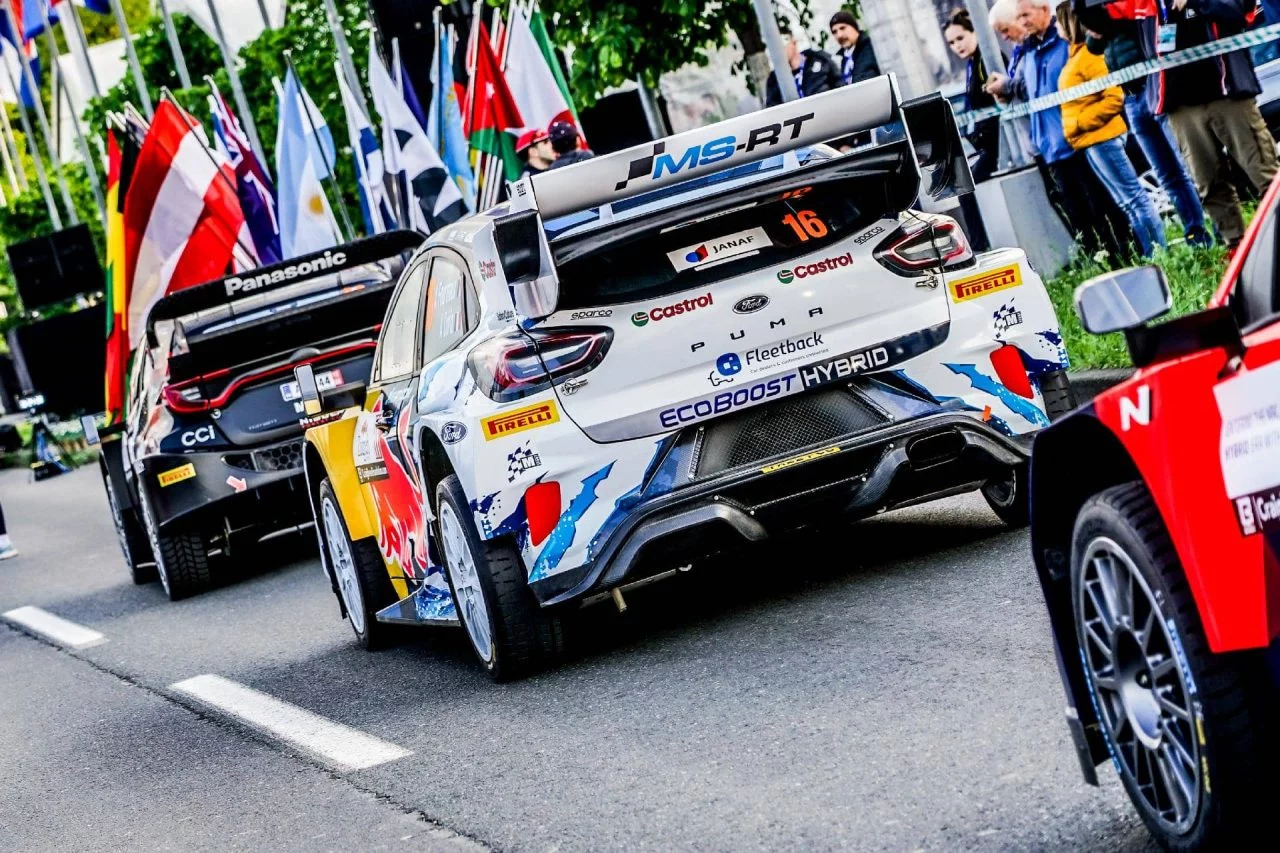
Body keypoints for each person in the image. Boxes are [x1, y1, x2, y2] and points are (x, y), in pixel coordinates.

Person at [985, 0, 1132, 258]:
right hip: (1051, 149)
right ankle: (1099, 262)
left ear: (1044, 10)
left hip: (1076, 142)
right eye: (1018, 18)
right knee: (1078, 216)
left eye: (1026, 15)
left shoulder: (1064, 44)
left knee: (1102, 206)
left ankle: (1126, 254)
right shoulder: (1029, 52)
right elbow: (1030, 91)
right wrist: (1008, 90)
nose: (1022, 23)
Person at [1074, 0, 1211, 247]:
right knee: (1166, 173)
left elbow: (1134, 22)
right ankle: (1196, 234)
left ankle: (1214, 228)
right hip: (1130, 93)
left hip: (1153, 83)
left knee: (1187, 163)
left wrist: (1105, 23)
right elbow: (1094, 45)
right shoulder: (1095, 8)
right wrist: (1099, 28)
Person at [1161, 0, 1278, 249]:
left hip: (1228, 92)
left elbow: (1239, 11)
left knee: (1265, 173)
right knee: (1209, 185)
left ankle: (1275, 245)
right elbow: (1116, 31)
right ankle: (1236, 251)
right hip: (1181, 102)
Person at [1057, 2, 1166, 257]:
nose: (1055, 27)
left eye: (1058, 22)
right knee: (1126, 203)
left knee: (1134, 199)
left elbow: (1112, 97)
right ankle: (1151, 252)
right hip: (1089, 140)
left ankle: (1158, 252)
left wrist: (1079, 123)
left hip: (1103, 137)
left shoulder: (1087, 57)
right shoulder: (1075, 56)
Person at [945, 8, 1003, 182]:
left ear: (974, 32)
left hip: (998, 142)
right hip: (984, 142)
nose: (957, 46)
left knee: (968, 184)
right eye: (951, 42)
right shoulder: (972, 64)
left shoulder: (986, 59)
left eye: (960, 38)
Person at [765, 22, 841, 106]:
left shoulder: (820, 60)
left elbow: (840, 86)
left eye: (782, 46)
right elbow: (772, 108)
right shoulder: (774, 79)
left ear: (793, 42)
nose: (779, 52)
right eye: (775, 49)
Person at [829, 10, 881, 86]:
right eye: (834, 32)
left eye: (843, 28)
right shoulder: (843, 57)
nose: (839, 35)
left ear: (854, 27)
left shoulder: (871, 46)